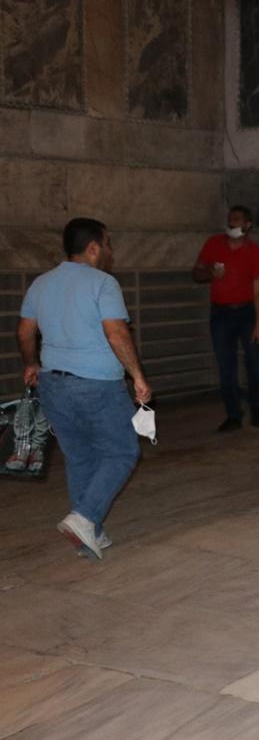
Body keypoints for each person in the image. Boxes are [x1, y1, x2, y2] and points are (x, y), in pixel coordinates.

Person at [17, 218, 152, 559]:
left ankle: (91, 537)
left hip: (52, 385)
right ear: (93, 247)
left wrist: (31, 364)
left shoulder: (41, 283)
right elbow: (116, 333)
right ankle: (85, 517)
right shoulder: (103, 283)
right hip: (96, 385)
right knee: (122, 452)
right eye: (108, 244)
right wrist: (137, 375)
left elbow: (25, 331)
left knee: (80, 458)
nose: (110, 251)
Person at [192, 205, 259, 432]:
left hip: (246, 312)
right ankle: (233, 414)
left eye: (236, 220)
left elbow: (258, 291)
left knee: (254, 362)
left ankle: (255, 404)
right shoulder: (214, 244)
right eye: (229, 219)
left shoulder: (254, 252)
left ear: (247, 225)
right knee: (226, 365)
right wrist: (210, 273)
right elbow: (196, 272)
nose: (231, 223)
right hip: (221, 313)